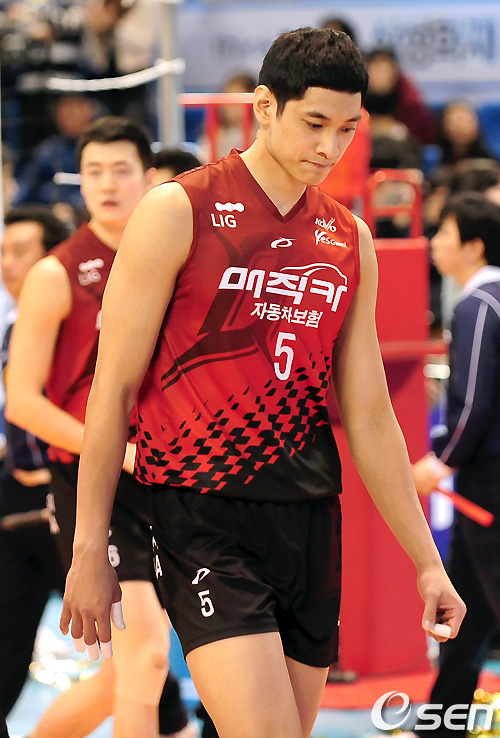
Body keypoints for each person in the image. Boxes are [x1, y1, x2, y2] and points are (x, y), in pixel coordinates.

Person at [58, 28, 465, 738]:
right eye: (314, 123)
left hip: (310, 521)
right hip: (203, 514)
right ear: (265, 106)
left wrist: (427, 563)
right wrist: (89, 547)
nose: (329, 147)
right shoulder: (177, 211)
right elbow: (112, 389)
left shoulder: (349, 239)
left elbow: (370, 414)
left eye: (347, 129)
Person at [6, 116, 193, 738]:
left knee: (133, 674)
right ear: (79, 181)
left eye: (121, 170)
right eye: (93, 172)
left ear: (150, 178)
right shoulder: (56, 273)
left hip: (172, 478)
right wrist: (117, 451)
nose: (107, 184)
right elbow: (22, 402)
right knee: (146, 658)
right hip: (94, 484)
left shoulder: (179, 261)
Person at [412, 193, 500, 738]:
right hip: (482, 486)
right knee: (467, 609)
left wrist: (440, 462)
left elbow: (472, 403)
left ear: (473, 245)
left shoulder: (478, 305)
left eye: (444, 233)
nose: (434, 243)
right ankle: (441, 725)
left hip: (489, 485)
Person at [0, 206, 69, 719]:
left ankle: (176, 721)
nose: (7, 264)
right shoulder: (10, 328)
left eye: (20, 252)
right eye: (2, 253)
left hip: (67, 492)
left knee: (131, 643)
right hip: (14, 494)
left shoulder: (78, 327)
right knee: (6, 640)